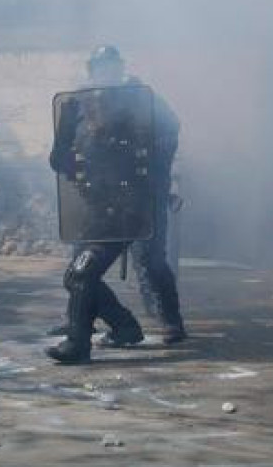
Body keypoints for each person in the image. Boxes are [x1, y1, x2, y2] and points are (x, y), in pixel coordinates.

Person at [45, 46, 186, 364]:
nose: (106, 71)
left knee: (151, 261)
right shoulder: (76, 103)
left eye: (112, 65)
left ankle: (170, 321)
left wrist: (158, 175)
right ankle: (116, 326)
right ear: (92, 69)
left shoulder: (140, 97)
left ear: (119, 68)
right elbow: (59, 156)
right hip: (98, 202)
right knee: (78, 271)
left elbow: (169, 132)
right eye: (101, 66)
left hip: (138, 200)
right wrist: (77, 172)